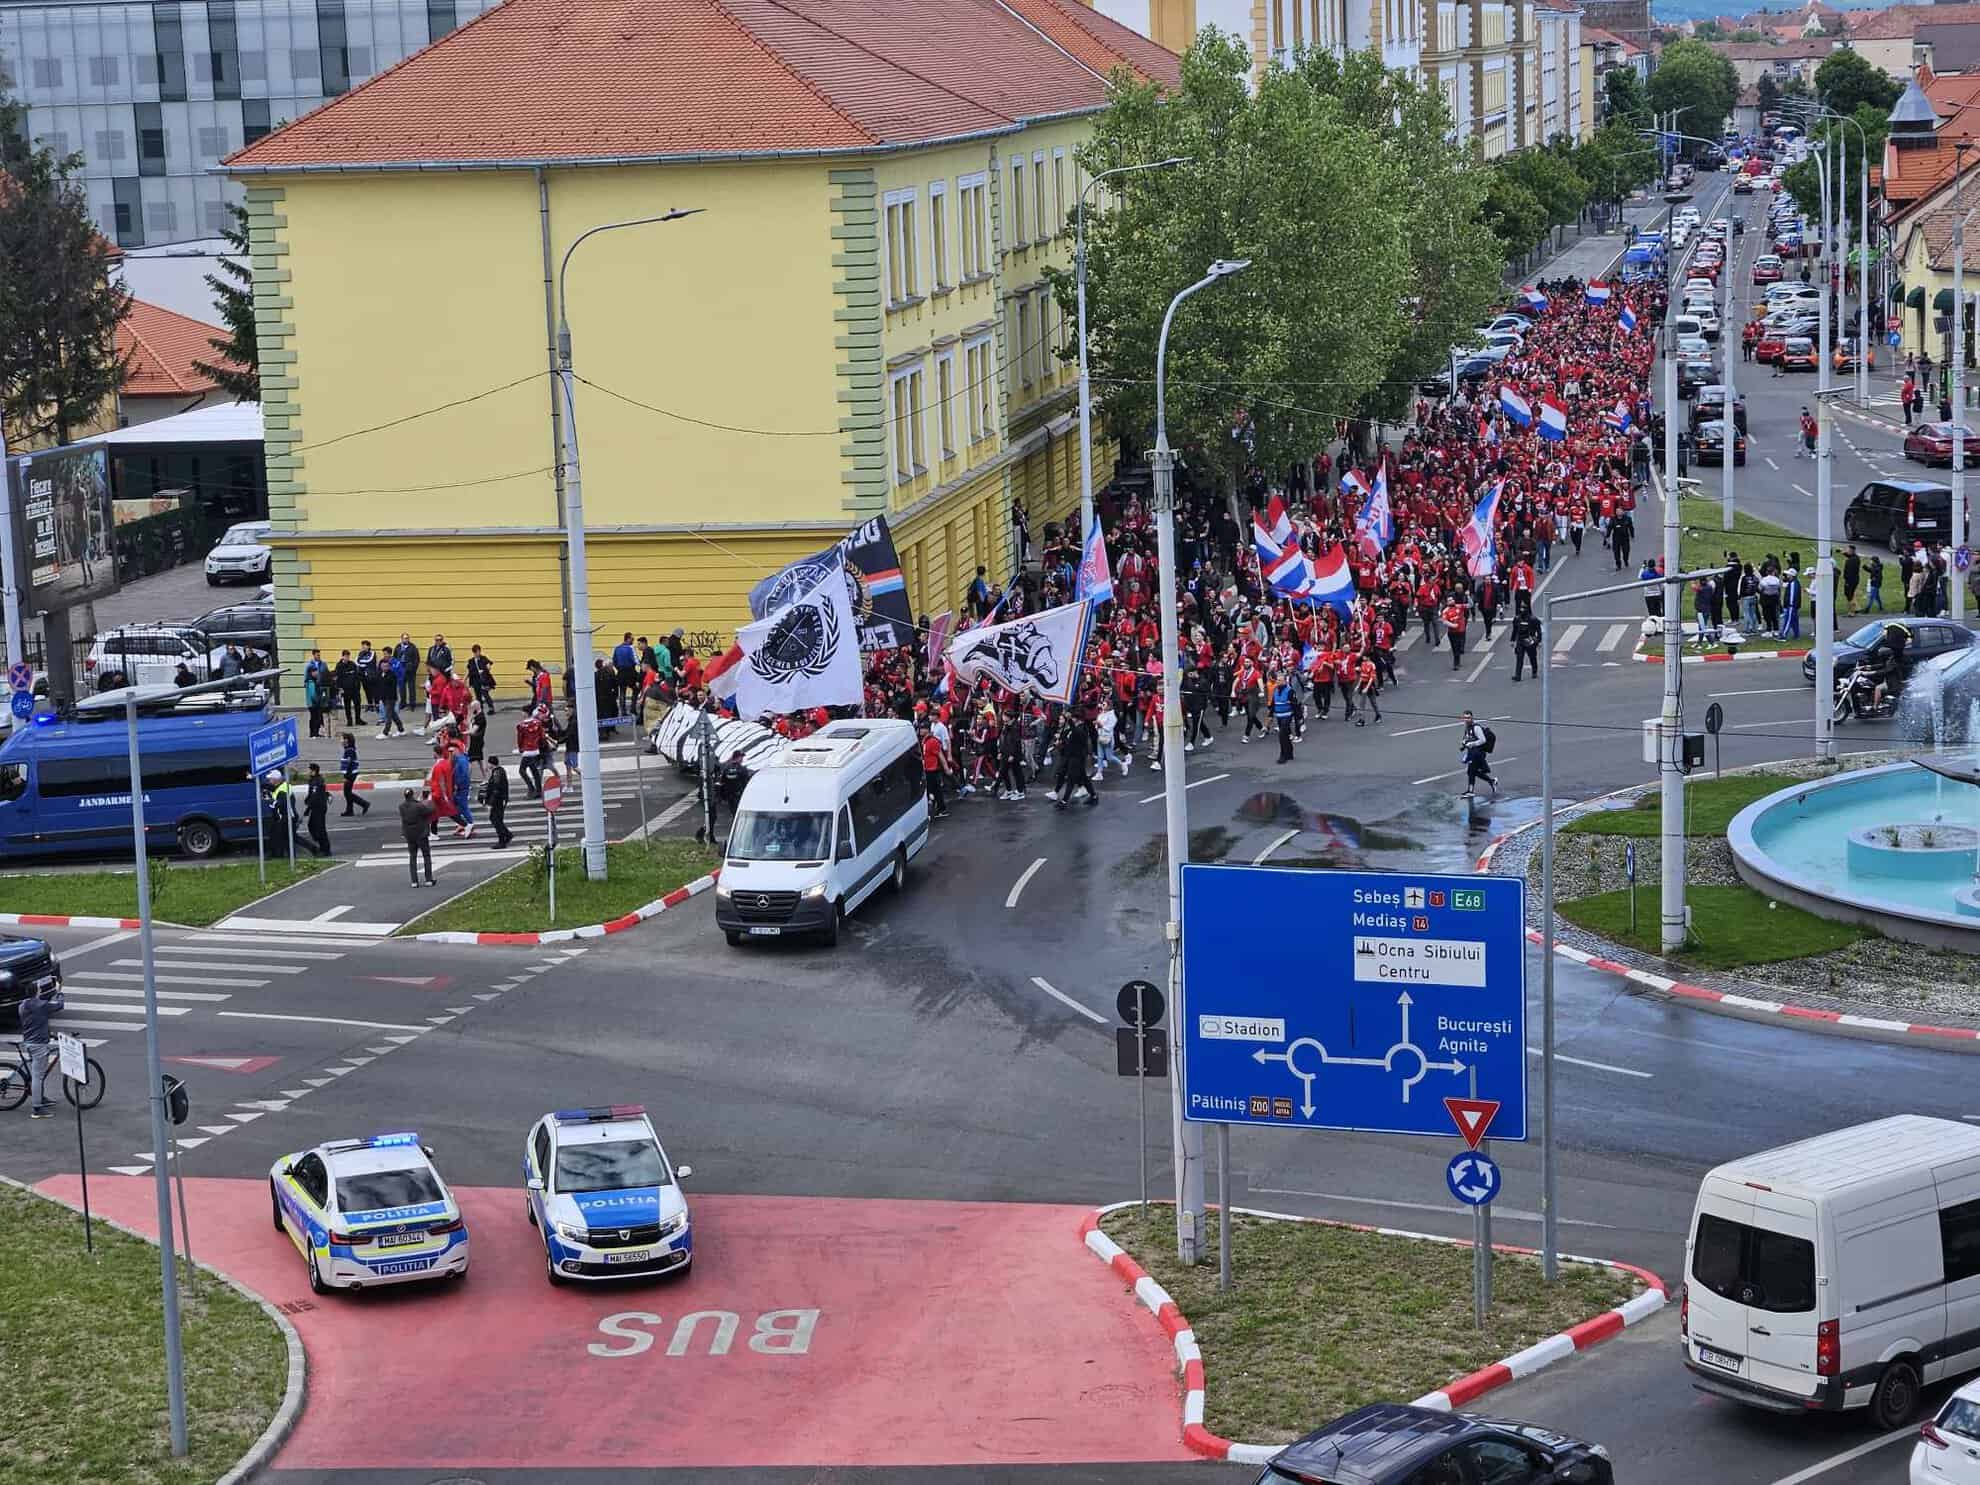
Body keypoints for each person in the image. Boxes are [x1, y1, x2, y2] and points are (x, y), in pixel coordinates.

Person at [401, 788, 437, 887]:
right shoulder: (418, 806)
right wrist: (427, 800)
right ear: (413, 795)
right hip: (421, 834)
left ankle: (414, 881)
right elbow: (431, 810)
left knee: (413, 857)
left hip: (409, 834)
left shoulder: (401, 806)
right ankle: (428, 880)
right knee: (426, 856)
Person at [1459, 711, 1499, 800]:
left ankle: (1470, 791)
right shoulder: (1467, 728)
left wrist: (1472, 744)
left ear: (1472, 718)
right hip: (1472, 753)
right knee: (1472, 771)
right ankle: (1492, 781)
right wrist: (1463, 745)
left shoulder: (1476, 728)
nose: (1467, 719)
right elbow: (1466, 738)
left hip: (1478, 753)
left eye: (1468, 717)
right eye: (1465, 718)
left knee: (1471, 771)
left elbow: (1483, 740)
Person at [482, 752, 513, 848]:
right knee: (496, 819)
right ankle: (507, 835)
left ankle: (502, 840)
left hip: (498, 801)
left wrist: (490, 803)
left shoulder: (497, 773)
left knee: (496, 820)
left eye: (488, 763)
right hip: (500, 799)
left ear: (491, 764)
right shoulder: (498, 771)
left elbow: (496, 789)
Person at [919, 721, 950, 819]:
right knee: (935, 791)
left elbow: (940, 755)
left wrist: (946, 768)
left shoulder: (932, 741)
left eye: (922, 729)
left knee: (932, 791)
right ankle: (940, 808)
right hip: (927, 769)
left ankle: (938, 809)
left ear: (927, 730)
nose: (920, 731)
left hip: (932, 770)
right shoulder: (925, 740)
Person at [302, 763, 332, 857]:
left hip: (319, 807)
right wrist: (307, 800)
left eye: (309, 770)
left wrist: (308, 808)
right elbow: (311, 794)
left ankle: (325, 850)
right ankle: (320, 844)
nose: (308, 772)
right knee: (311, 825)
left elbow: (315, 796)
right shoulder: (314, 780)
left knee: (320, 829)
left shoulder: (317, 781)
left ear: (313, 771)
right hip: (315, 806)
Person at [1510, 605, 1542, 682]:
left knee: (1532, 657)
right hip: (1520, 640)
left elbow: (1539, 631)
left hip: (1530, 640)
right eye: (1521, 608)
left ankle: (1534, 671)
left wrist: (1538, 641)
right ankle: (1518, 676)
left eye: (1523, 609)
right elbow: (1514, 630)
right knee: (1519, 658)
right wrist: (1512, 640)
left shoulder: (1533, 619)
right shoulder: (1517, 619)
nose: (1522, 610)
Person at [304, 648, 330, 737]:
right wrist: (318, 700)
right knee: (315, 717)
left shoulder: (323, 664)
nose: (317, 673)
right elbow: (312, 694)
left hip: (318, 697)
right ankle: (314, 733)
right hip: (314, 703)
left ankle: (316, 732)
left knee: (317, 717)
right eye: (315, 672)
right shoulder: (310, 680)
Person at [1272, 670, 1295, 763]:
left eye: (1280, 680)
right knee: (1285, 735)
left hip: (1287, 715)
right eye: (1277, 680)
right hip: (1279, 716)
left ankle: (1283, 755)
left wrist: (1298, 719)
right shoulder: (1275, 690)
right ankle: (1290, 752)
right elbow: (1273, 703)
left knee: (1281, 735)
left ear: (1285, 681)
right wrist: (1270, 713)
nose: (1278, 682)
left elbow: (1295, 705)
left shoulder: (1290, 691)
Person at [467, 645, 496, 713]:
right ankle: (480, 709)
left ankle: (491, 707)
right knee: (478, 695)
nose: (477, 653)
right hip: (475, 680)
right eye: (476, 652)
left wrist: (484, 669)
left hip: (484, 679)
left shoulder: (484, 658)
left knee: (485, 693)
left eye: (478, 652)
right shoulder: (471, 661)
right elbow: (468, 671)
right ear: (473, 652)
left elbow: (488, 665)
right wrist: (464, 680)